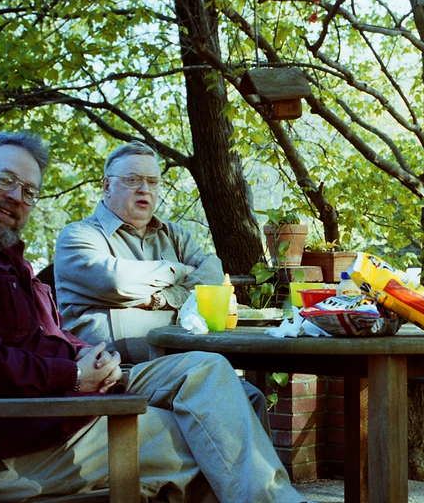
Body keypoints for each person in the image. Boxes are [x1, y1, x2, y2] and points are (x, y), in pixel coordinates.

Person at [0, 132, 306, 502]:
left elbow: (43, 335)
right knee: (213, 437)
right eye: (5, 180)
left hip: (64, 399)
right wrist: (72, 375)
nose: (17, 197)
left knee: (213, 374)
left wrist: (83, 355)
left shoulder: (0, 253)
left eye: (29, 190)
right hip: (8, 444)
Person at [53, 141, 269, 428]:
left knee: (249, 397)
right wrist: (178, 270)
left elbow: (213, 273)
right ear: (106, 185)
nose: (145, 189)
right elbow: (116, 281)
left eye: (152, 181)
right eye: (132, 180)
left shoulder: (175, 235)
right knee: (222, 397)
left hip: (179, 366)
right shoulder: (78, 236)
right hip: (114, 374)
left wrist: (161, 299)